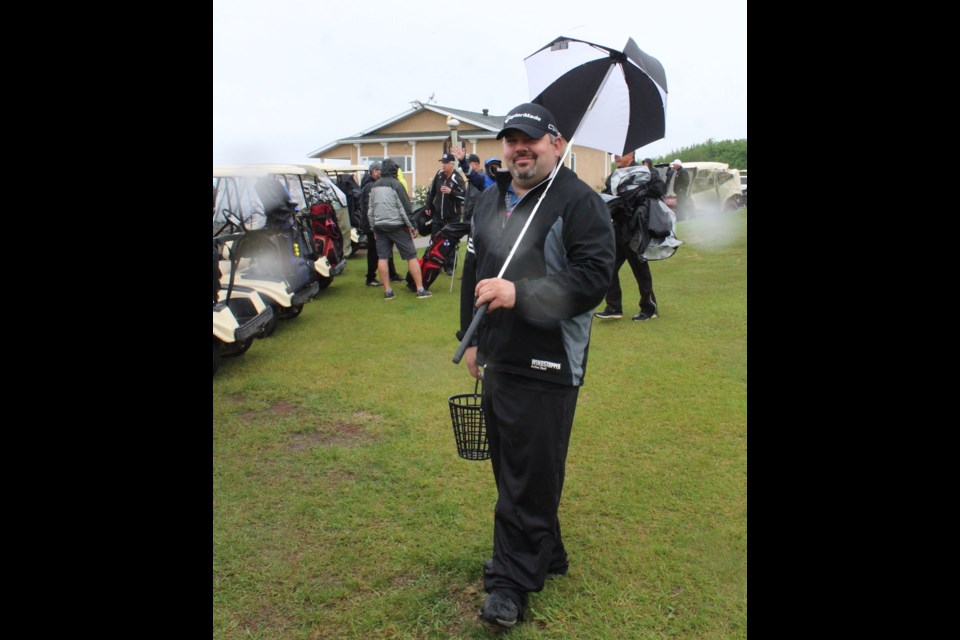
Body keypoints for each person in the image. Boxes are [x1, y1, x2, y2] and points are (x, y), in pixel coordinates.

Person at [458, 102, 615, 628]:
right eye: (510, 140)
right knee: (515, 466)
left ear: (555, 142)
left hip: (550, 360)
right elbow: (474, 270)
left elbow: (593, 278)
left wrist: (519, 293)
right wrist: (471, 339)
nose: (519, 149)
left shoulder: (579, 202)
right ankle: (544, 551)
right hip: (499, 355)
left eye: (530, 139)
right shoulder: (488, 200)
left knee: (530, 470)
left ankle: (511, 583)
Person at [595, 153, 663, 322]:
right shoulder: (614, 176)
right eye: (615, 153)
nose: (616, 156)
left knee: (640, 270)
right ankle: (613, 307)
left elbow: (659, 189)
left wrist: (639, 191)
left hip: (636, 229)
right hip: (617, 228)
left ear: (631, 154)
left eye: (621, 153)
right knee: (608, 268)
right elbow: (609, 195)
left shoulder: (645, 172)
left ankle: (649, 308)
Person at [367, 159, 432, 299]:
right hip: (397, 226)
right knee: (411, 256)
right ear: (393, 170)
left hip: (379, 227)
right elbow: (405, 208)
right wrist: (413, 227)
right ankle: (420, 289)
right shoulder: (396, 184)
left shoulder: (374, 186)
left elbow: (370, 211)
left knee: (382, 257)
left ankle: (388, 291)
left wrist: (374, 228)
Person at [359, 162, 402, 287]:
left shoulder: (374, 185)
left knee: (386, 249)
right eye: (380, 170)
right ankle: (370, 277)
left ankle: (392, 274)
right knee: (374, 251)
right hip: (372, 224)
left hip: (377, 222)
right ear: (374, 171)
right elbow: (370, 207)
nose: (382, 173)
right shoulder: (370, 186)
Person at [425, 153, 467, 275]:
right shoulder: (439, 174)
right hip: (438, 215)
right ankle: (435, 263)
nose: (443, 165)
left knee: (449, 242)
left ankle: (449, 266)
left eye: (445, 163)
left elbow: (464, 197)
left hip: (452, 217)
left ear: (452, 164)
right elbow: (431, 191)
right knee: (435, 239)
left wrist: (451, 192)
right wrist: (428, 205)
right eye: (442, 163)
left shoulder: (457, 178)